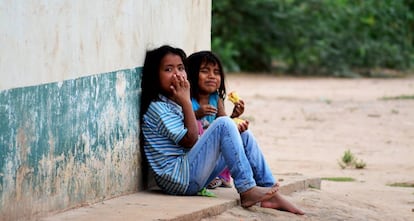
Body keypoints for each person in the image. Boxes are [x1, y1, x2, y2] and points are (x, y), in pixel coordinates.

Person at [140, 45, 304, 215]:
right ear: (155, 76)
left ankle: (269, 191)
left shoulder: (173, 103)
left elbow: (198, 142)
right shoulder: (158, 108)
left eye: (181, 68)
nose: (177, 74)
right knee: (225, 123)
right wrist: (186, 102)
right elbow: (190, 140)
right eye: (168, 69)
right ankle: (247, 189)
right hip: (178, 180)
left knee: (243, 134)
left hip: (191, 173)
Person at [185, 51, 246, 189]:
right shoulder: (188, 99)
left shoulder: (215, 98)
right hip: (196, 150)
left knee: (238, 136)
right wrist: (196, 114)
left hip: (213, 149)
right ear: (191, 74)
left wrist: (234, 117)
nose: (212, 76)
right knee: (199, 125)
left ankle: (220, 176)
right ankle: (207, 176)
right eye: (205, 71)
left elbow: (224, 124)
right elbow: (183, 124)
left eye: (217, 72)